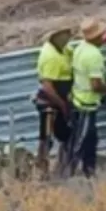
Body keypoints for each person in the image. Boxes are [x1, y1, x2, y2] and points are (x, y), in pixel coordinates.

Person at [64, 18, 106, 179]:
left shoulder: (80, 47)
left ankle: (85, 170)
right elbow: (96, 85)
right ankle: (75, 173)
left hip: (77, 99)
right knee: (83, 141)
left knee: (85, 139)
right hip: (87, 104)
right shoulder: (94, 55)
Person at [32, 28, 75, 174]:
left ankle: (61, 166)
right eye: (65, 34)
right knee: (46, 137)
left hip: (61, 97)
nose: (69, 36)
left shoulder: (65, 49)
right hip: (51, 101)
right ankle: (41, 169)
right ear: (56, 36)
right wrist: (62, 104)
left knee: (65, 134)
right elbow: (47, 86)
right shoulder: (50, 56)